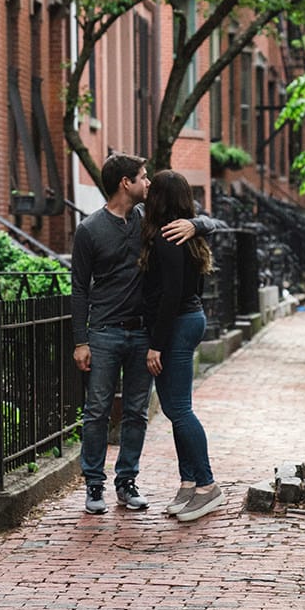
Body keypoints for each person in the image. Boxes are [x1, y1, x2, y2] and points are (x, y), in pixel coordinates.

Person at [70, 153, 224, 515]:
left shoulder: (148, 223)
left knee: (138, 412)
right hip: (105, 332)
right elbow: (79, 288)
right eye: (142, 176)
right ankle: (95, 484)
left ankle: (127, 482)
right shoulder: (89, 229)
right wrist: (81, 339)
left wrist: (197, 223)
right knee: (96, 412)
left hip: (144, 333)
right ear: (126, 183)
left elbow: (211, 224)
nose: (148, 182)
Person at [141, 169, 223, 523]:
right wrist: (199, 224)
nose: (146, 195)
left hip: (178, 324)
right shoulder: (185, 232)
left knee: (180, 408)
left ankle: (207, 485)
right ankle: (189, 482)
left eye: (151, 190)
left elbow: (171, 294)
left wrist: (155, 345)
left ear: (159, 198)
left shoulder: (168, 236)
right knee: (176, 410)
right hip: (187, 320)